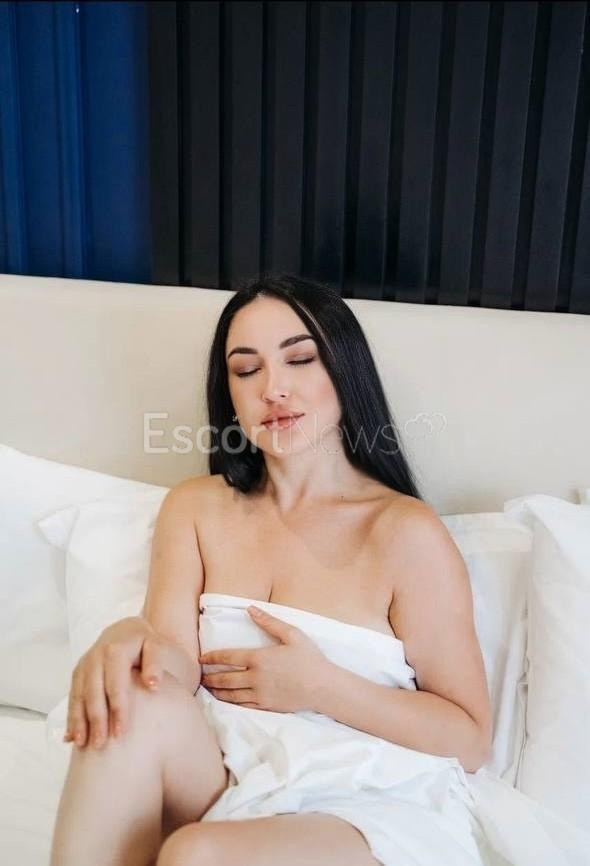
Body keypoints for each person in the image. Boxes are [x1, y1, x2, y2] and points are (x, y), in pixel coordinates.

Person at [49, 273, 492, 866]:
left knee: (196, 854)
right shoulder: (196, 508)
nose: (273, 390)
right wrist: (128, 639)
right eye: (246, 370)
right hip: (226, 768)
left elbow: (469, 738)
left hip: (367, 797)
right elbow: (174, 669)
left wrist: (319, 686)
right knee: (128, 696)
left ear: (345, 371)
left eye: (299, 359)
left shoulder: (405, 532)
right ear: (228, 393)